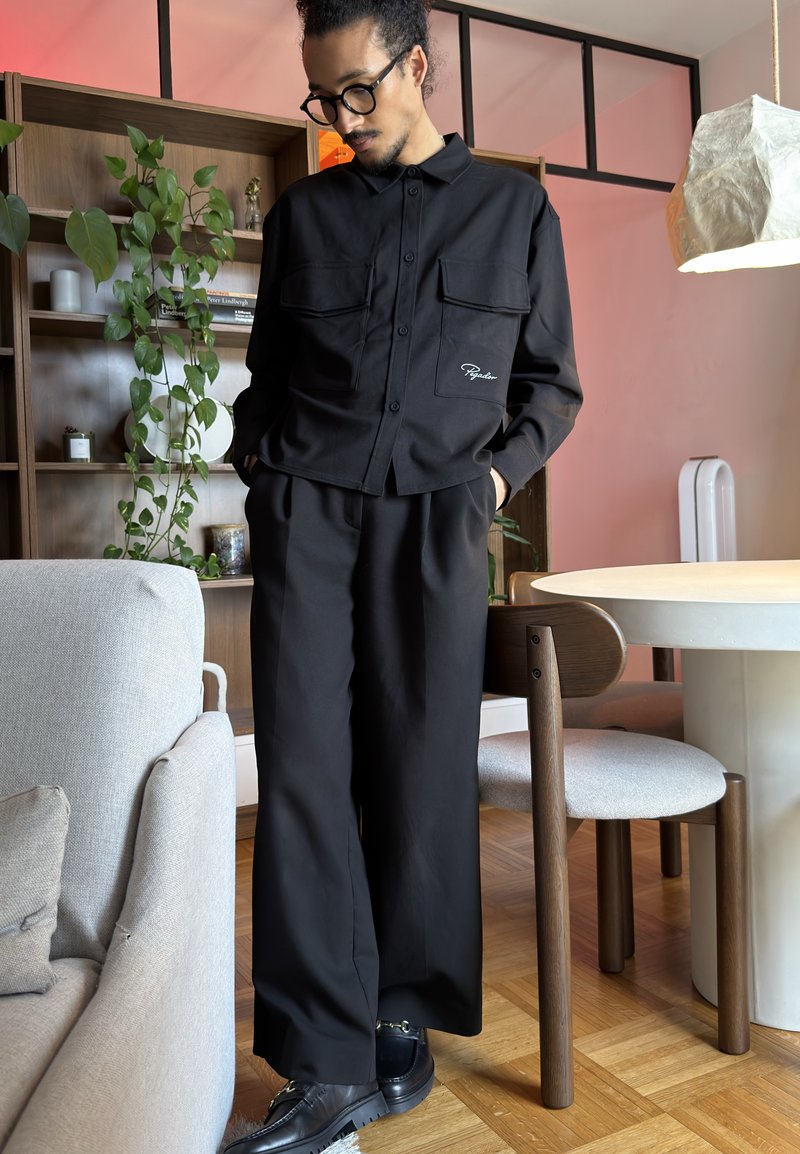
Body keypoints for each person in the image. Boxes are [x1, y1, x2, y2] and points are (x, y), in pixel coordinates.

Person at [225, 2, 582, 1151]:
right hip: (310, 510)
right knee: (303, 773)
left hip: (438, 511)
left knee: (419, 768)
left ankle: (399, 1012)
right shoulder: (302, 216)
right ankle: (321, 1062)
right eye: (320, 99)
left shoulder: (513, 209)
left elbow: (551, 387)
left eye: (356, 93)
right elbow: (265, 376)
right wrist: (263, 474)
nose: (339, 119)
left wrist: (488, 487)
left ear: (416, 64)